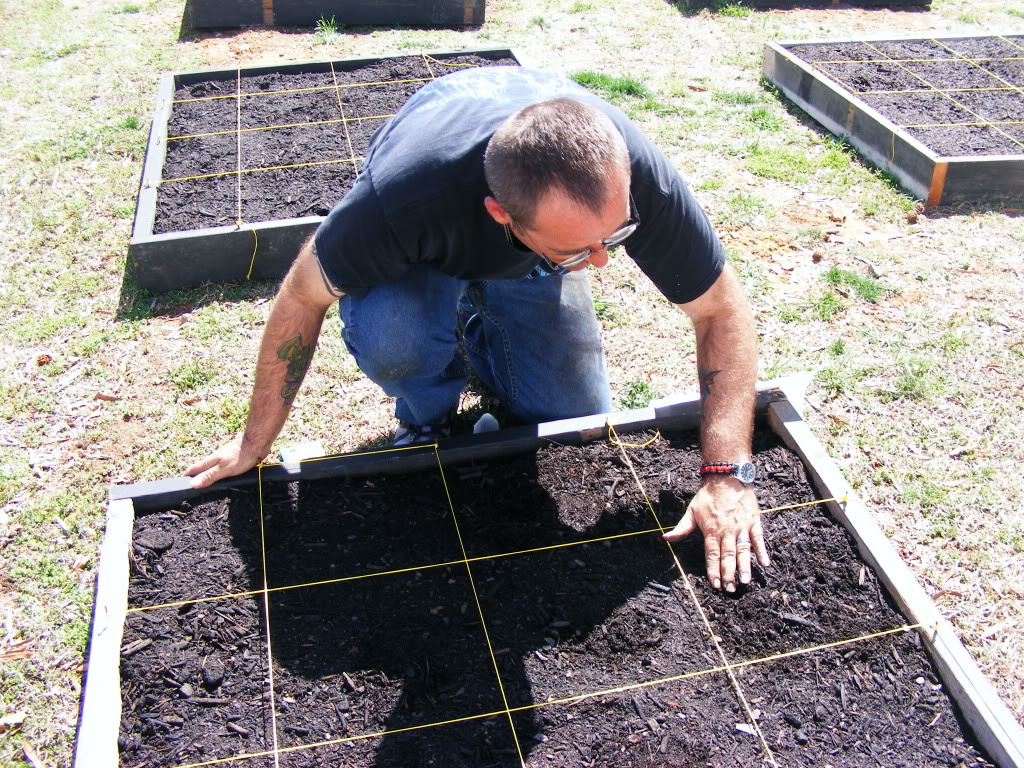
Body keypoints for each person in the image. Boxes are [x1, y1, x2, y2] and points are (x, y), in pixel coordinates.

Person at [186, 66, 769, 592]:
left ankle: (482, 318)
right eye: (580, 248)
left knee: (572, 416)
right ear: (501, 215)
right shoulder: (404, 200)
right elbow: (300, 297)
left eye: (612, 236)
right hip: (431, 239)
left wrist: (727, 472)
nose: (601, 263)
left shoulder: (632, 174)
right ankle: (429, 411)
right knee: (399, 339)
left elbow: (722, 311)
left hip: (527, 241)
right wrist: (253, 442)